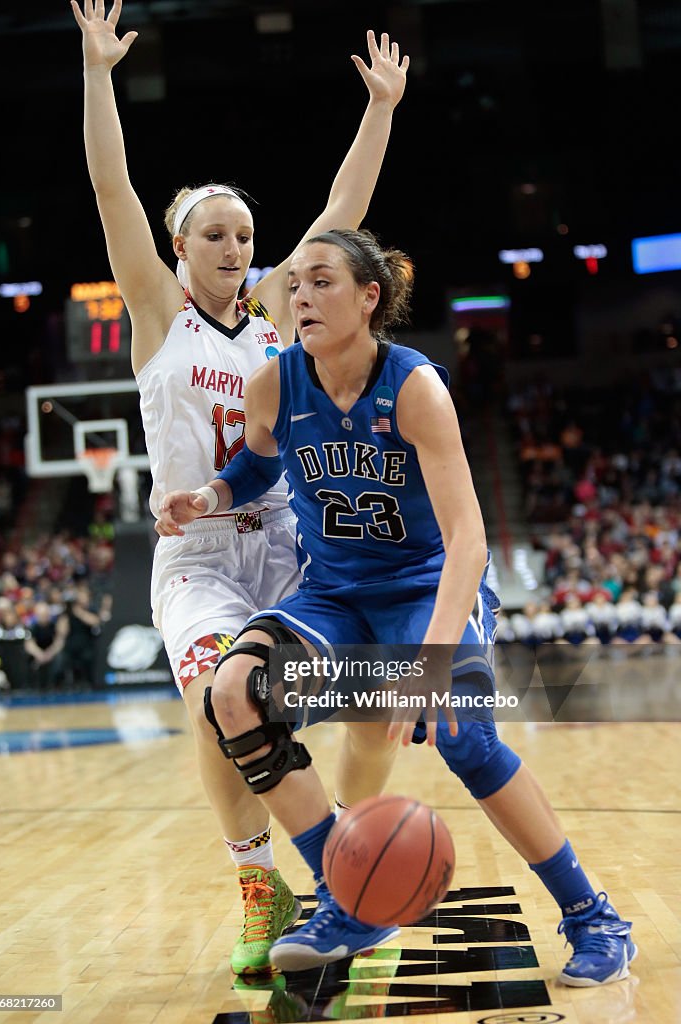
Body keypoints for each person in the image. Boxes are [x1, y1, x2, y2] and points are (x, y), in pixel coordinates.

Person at [158, 228, 637, 985]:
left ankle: (593, 915)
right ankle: (351, 897)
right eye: (296, 286)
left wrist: (432, 660)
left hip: (427, 583)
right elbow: (256, 462)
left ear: (369, 296)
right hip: (335, 594)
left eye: (322, 282)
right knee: (232, 695)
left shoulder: (413, 386)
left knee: (463, 737)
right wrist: (212, 494)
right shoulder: (276, 385)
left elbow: (469, 538)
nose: (302, 296)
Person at [71, 0, 409, 974]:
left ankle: (348, 855)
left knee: (374, 710)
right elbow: (108, 189)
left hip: (295, 546)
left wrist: (379, 110)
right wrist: (98, 72)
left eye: (244, 234)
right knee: (219, 704)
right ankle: (261, 885)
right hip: (200, 558)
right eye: (213, 234)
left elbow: (340, 217)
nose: (232, 247)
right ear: (180, 249)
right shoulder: (155, 316)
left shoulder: (275, 313)